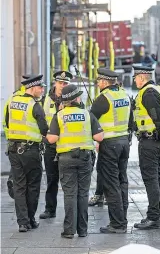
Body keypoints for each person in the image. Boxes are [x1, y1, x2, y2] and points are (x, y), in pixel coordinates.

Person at [46, 84, 104, 238]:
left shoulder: (59, 115)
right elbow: (99, 137)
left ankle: (69, 230)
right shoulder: (86, 114)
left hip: (66, 160)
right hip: (85, 159)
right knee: (83, 194)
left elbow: (51, 139)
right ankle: (83, 230)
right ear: (76, 98)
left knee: (70, 194)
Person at [90, 68, 132, 234]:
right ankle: (123, 218)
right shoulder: (124, 95)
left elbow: (90, 121)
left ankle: (117, 223)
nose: (98, 84)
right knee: (122, 181)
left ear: (104, 82)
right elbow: (131, 120)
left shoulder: (103, 98)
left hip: (109, 144)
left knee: (111, 183)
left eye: (99, 81)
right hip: (124, 142)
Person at [132, 65, 160, 229]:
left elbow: (158, 119)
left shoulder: (148, 93)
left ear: (142, 77)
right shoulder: (155, 89)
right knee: (155, 179)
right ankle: (154, 215)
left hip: (150, 142)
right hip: (153, 140)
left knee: (151, 180)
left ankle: (154, 218)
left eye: (136, 77)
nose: (135, 80)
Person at [5, 75, 48, 232]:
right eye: (40, 87)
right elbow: (44, 129)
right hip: (30, 151)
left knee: (19, 186)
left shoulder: (12, 101)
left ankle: (22, 222)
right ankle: (30, 219)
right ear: (32, 88)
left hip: (13, 150)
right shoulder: (34, 105)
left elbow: (8, 122)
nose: (42, 90)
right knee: (33, 186)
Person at [40, 70, 72, 219]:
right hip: (51, 145)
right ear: (55, 83)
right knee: (52, 178)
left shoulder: (74, 99)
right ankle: (50, 209)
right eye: (60, 83)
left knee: (68, 180)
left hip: (67, 145)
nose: (62, 86)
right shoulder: (44, 100)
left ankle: (70, 212)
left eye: (65, 83)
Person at [3, 75, 30, 199]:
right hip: (27, 140)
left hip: (12, 137)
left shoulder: (12, 97)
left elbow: (6, 119)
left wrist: (9, 135)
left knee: (16, 165)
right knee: (25, 167)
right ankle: (19, 189)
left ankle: (13, 180)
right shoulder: (30, 99)